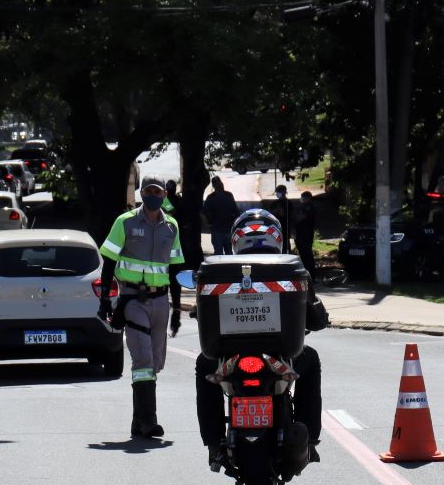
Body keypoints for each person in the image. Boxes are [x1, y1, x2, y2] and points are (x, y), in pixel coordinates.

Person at [194, 209, 324, 468]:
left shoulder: (221, 271)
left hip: (230, 357)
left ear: (236, 241)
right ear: (277, 238)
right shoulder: (291, 268)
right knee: (310, 360)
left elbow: (205, 312)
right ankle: (308, 439)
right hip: (280, 355)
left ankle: (213, 444)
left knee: (204, 364)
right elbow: (317, 320)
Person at [97, 177, 185, 438]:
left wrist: (177, 311)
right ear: (142, 193)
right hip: (133, 299)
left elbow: (175, 270)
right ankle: (149, 420)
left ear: (164, 195)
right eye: (148, 191)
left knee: (155, 363)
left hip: (161, 301)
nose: (153, 195)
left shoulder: (171, 226)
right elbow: (109, 261)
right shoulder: (125, 222)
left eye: (157, 192)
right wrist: (104, 297)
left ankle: (138, 421)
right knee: (143, 360)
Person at [201, 175, 239, 256]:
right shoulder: (228, 195)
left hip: (218, 231)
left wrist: (208, 225)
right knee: (228, 253)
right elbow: (236, 213)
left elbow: (203, 214)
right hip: (225, 230)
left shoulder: (211, 198)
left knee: (219, 255)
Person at [294, 190, 318, 276]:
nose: (301, 199)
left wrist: (297, 217)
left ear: (307, 198)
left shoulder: (309, 207)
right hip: (301, 233)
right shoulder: (303, 206)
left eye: (303, 197)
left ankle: (311, 273)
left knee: (307, 253)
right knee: (302, 253)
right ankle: (305, 271)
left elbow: (300, 218)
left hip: (306, 233)